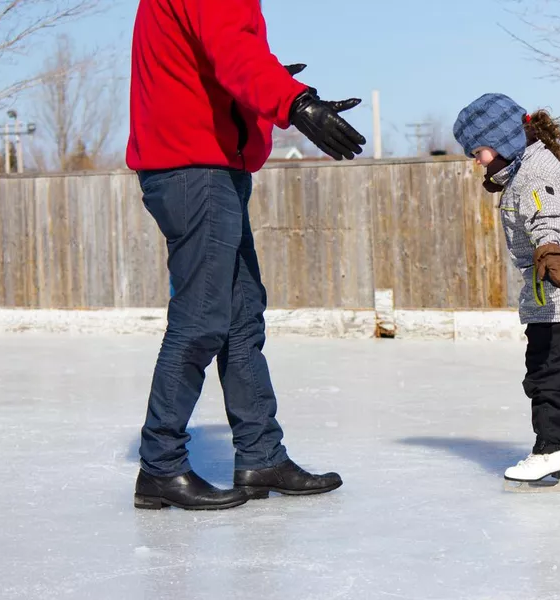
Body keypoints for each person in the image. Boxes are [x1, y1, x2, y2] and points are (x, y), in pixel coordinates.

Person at [127, 0, 366, 511]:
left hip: (209, 168)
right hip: (195, 168)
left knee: (239, 320)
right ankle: (160, 465)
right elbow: (234, 53)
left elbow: (218, 59)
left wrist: (274, 77)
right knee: (201, 320)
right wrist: (295, 101)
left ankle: (260, 456)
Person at [453, 94, 560, 484]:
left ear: (503, 140)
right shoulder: (526, 168)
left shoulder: (535, 174)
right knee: (550, 372)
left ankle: (552, 449)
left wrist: (550, 249)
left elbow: (547, 214)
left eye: (480, 151)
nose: (477, 161)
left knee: (549, 377)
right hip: (558, 298)